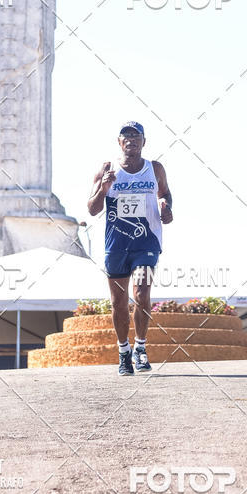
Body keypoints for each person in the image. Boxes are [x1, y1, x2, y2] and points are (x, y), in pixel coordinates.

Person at [87, 122, 173, 375]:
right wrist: (103, 188)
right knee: (119, 303)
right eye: (126, 136)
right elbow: (92, 209)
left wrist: (166, 209)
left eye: (136, 136)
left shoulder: (154, 169)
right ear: (119, 142)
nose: (131, 140)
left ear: (144, 142)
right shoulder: (107, 168)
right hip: (116, 245)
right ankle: (123, 352)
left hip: (146, 243)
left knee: (142, 294)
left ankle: (141, 348)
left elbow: (165, 194)